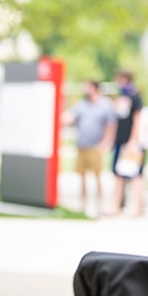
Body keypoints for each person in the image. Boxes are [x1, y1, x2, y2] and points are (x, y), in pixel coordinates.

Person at [63, 80, 116, 218]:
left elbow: (110, 125)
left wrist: (106, 142)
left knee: (98, 177)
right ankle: (83, 204)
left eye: (87, 87)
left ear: (95, 88)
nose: (85, 90)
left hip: (95, 146)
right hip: (82, 145)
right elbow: (69, 118)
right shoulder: (81, 105)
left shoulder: (105, 105)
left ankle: (100, 205)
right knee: (82, 177)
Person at [110, 69, 145, 216]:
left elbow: (137, 119)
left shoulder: (135, 96)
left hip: (130, 142)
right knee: (119, 174)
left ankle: (138, 208)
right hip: (120, 140)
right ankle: (117, 206)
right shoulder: (122, 96)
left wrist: (133, 140)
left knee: (135, 175)